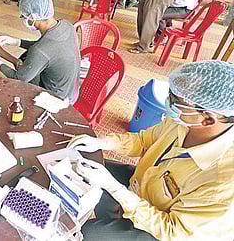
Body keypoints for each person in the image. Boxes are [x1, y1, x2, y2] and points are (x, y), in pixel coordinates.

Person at [69, 60, 234, 241]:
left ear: (208, 120)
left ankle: (116, 217)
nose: (168, 102)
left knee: (89, 234)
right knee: (83, 164)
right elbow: (144, 140)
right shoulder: (185, 121)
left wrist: (114, 188)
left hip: (163, 230)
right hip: (145, 184)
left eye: (176, 101)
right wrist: (104, 143)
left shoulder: (221, 183)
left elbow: (172, 231)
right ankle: (114, 213)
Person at [0, 0, 81, 104]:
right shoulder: (66, 25)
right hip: (72, 91)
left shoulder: (40, 51)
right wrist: (17, 42)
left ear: (33, 17)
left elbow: (18, 79)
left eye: (24, 16)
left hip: (57, 101)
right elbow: (45, 47)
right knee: (26, 63)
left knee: (13, 93)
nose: (23, 19)